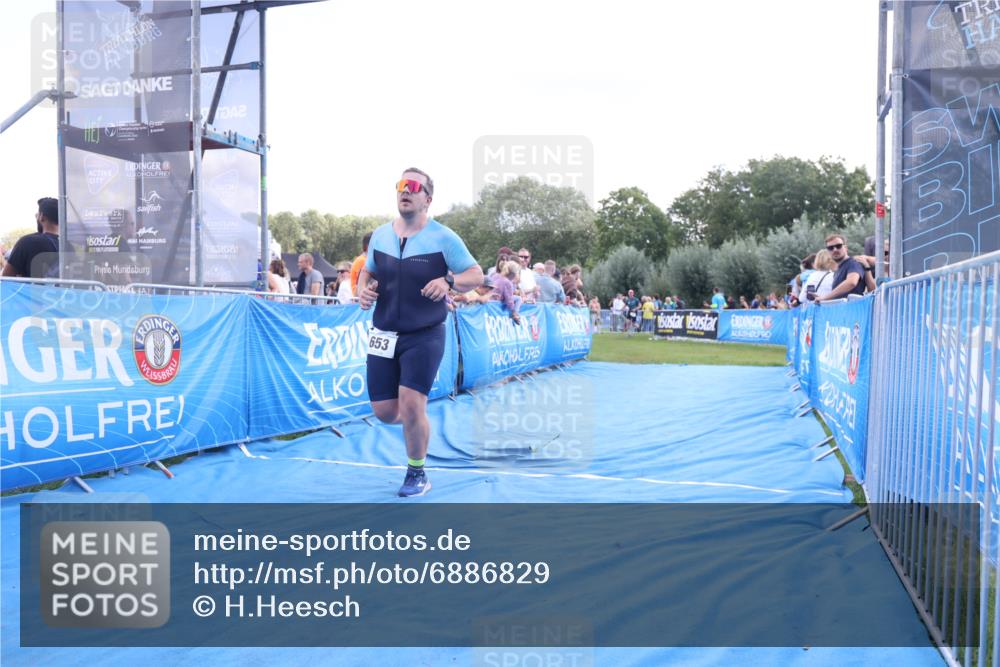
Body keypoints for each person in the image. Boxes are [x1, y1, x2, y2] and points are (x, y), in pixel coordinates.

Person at [357, 167, 483, 497]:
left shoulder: (444, 237)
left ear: (427, 198)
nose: (405, 191)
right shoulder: (381, 235)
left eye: (413, 186)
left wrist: (449, 281)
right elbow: (367, 272)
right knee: (385, 412)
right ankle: (419, 424)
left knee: (412, 403)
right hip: (383, 334)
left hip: (425, 333)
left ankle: (417, 471)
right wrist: (362, 291)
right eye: (401, 185)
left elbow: (476, 274)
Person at [3, 197, 61, 278]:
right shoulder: (69, 246)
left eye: (38, 214)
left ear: (41, 216)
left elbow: (6, 278)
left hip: (31, 291)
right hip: (62, 291)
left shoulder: (27, 242)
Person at [815, 234, 866, 302]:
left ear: (845, 248)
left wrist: (825, 297)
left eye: (838, 246)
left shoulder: (853, 263)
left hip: (853, 310)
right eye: (831, 248)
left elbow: (851, 282)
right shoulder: (838, 269)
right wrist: (823, 298)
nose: (835, 249)